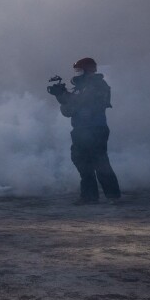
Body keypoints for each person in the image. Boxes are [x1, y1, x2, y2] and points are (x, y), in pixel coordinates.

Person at [51, 57, 121, 204]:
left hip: (95, 129)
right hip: (81, 130)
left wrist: (63, 96)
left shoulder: (97, 85)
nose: (77, 74)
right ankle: (89, 196)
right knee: (82, 162)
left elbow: (76, 103)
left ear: (88, 71)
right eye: (76, 71)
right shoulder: (81, 87)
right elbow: (69, 108)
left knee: (100, 162)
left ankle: (113, 196)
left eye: (79, 71)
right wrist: (61, 94)